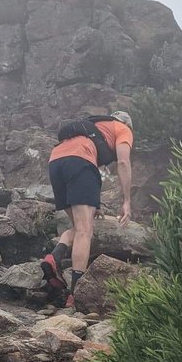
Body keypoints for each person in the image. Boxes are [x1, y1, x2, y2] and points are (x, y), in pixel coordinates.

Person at [41, 110, 133, 308]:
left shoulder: (95, 127)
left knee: (77, 226)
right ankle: (76, 294)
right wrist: (126, 201)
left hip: (56, 161)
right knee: (85, 231)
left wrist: (94, 205)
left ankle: (53, 258)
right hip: (79, 161)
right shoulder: (123, 128)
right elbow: (123, 162)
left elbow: (90, 168)